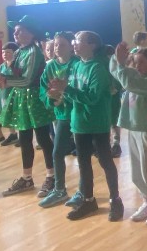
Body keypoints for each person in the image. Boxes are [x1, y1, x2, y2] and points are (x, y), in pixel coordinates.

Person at [47, 31, 123, 222]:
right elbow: (72, 95)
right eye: (74, 41)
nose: (74, 44)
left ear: (92, 45)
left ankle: (115, 200)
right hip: (79, 123)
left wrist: (66, 89)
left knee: (105, 162)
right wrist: (58, 95)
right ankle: (88, 200)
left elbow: (92, 97)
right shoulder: (76, 65)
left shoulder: (98, 68)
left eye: (78, 41)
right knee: (83, 164)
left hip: (97, 123)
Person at [0, 18, 53, 197]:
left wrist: (3, 79)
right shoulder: (19, 52)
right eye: (15, 31)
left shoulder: (34, 52)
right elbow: (13, 75)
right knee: (24, 139)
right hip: (21, 98)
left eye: (20, 30)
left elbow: (27, 80)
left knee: (43, 139)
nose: (15, 34)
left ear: (31, 33)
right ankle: (27, 177)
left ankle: (52, 176)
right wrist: (1, 76)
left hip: (34, 99)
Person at [109, 44, 147, 226]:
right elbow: (116, 72)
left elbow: (128, 82)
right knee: (136, 172)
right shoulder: (138, 74)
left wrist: (121, 64)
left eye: (141, 62)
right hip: (134, 127)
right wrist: (117, 59)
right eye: (135, 62)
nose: (137, 66)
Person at [38, 33, 78, 208]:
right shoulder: (50, 67)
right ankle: (60, 189)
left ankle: (85, 192)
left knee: (83, 155)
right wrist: (50, 98)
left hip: (79, 114)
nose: (57, 48)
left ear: (71, 47)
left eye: (62, 45)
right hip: (62, 115)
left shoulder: (77, 64)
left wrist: (66, 93)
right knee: (57, 152)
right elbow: (43, 89)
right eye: (55, 45)